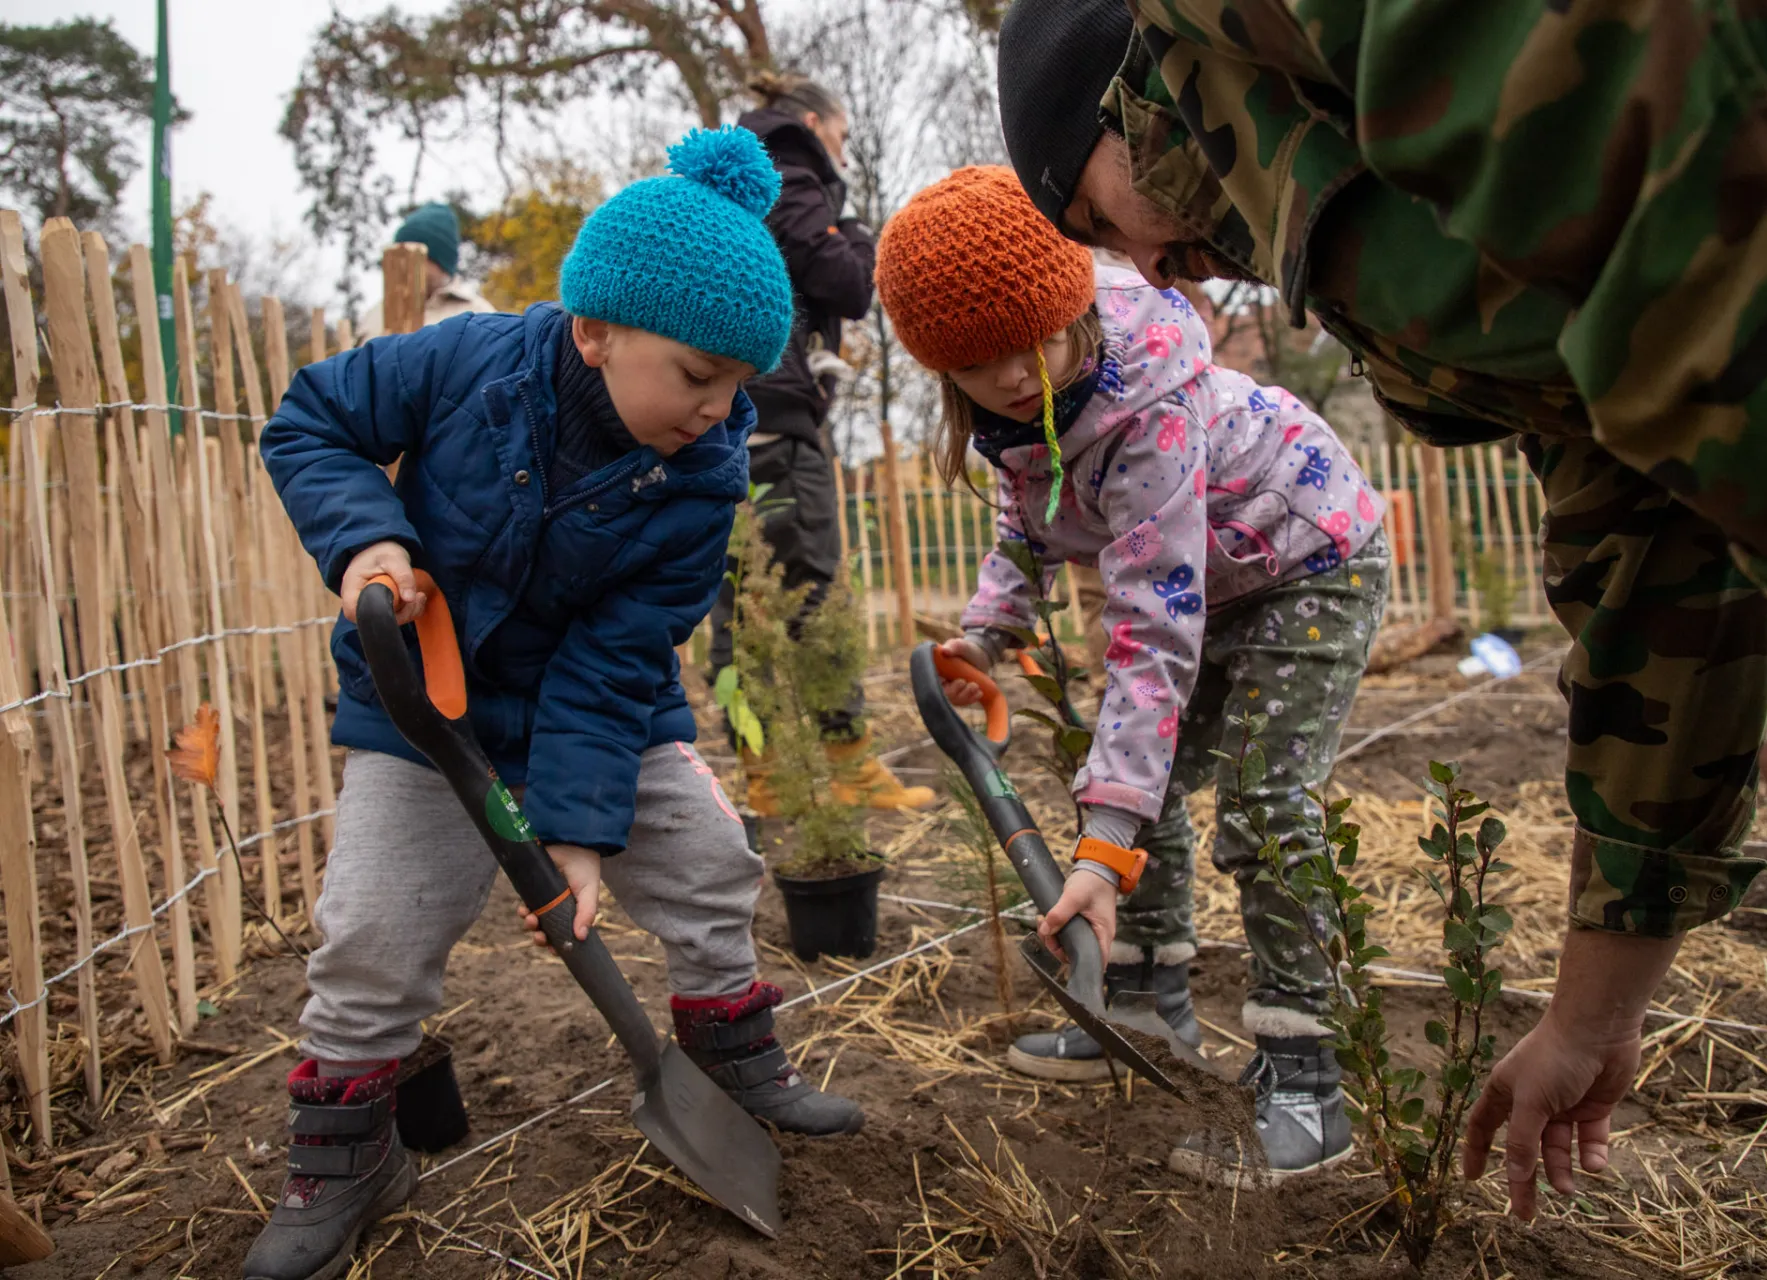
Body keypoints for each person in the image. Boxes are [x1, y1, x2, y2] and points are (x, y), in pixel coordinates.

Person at [994, 0, 1767, 1232]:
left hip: (1340, 565)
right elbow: (1640, 523)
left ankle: (1305, 1070)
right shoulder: (1317, 182)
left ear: (1116, 103)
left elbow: (1680, 105)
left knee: (1267, 805)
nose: (1145, 266)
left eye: (1094, 218)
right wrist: (1596, 1007)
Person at [248, 127, 864, 1280]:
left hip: (595, 711)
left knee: (709, 857)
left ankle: (732, 1052)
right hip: (422, 709)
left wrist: (578, 835)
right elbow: (310, 421)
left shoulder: (702, 477)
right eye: (696, 376)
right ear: (595, 330)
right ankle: (344, 1149)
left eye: (739, 384)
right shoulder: (464, 362)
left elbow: (618, 654)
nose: (717, 409)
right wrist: (367, 538)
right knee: (372, 929)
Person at [877, 166, 1388, 1185]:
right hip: (1216, 585)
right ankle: (1153, 1003)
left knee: (1258, 794)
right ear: (944, 371)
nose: (1017, 376)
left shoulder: (1146, 403)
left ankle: (1307, 1077)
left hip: (1308, 557)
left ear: (1067, 304)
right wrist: (987, 631)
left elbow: (1153, 630)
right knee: (1135, 788)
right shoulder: (1018, 413)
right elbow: (1028, 514)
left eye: (1033, 345)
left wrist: (1102, 849)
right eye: (980, 366)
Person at [706, 72, 933, 813]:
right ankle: (849, 764)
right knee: (814, 595)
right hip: (777, 421)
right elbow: (848, 281)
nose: (840, 149)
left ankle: (764, 775)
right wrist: (861, 230)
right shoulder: (792, 173)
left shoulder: (738, 175)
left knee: (741, 601)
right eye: (840, 134)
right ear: (811, 119)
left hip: (727, 418)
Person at [355, 201, 496, 339]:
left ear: (440, 260)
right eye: (399, 255)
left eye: (414, 256)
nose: (403, 265)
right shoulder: (373, 317)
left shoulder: (481, 318)